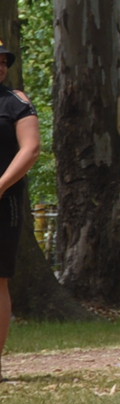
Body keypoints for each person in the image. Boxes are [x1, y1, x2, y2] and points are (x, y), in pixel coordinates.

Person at [0, 46, 38, 367]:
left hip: (4, 203)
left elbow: (31, 149)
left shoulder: (16, 104)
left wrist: (1, 185)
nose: (0, 67)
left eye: (3, 62)